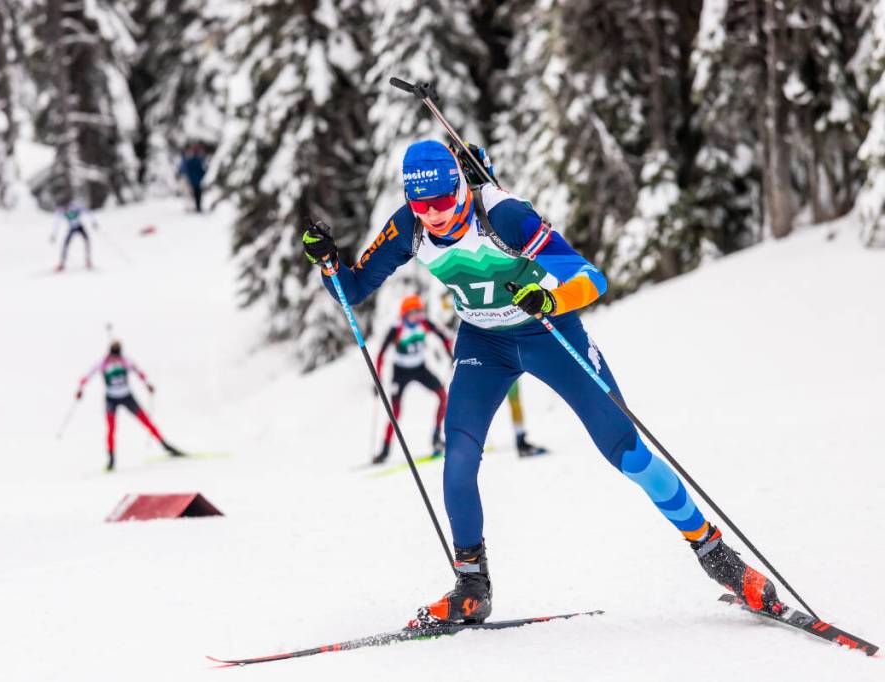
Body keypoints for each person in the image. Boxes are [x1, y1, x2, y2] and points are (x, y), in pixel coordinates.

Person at [302, 139, 782, 628]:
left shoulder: (504, 215)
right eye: (422, 206)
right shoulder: (410, 226)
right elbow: (354, 288)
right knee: (458, 458)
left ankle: (719, 559)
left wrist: (551, 301)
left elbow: (591, 279)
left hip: (547, 333)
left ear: (460, 187)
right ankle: (472, 587)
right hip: (482, 344)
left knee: (627, 451)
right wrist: (328, 263)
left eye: (444, 202)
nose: (435, 216)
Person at [441, 291, 547, 457]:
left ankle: (520, 439)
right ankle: (463, 445)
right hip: (476, 357)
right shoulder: (457, 307)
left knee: (512, 398)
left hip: (497, 350)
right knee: (474, 401)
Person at [75, 341, 185, 470]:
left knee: (146, 421)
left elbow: (139, 371)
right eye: (113, 354)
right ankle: (111, 459)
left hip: (127, 397)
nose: (115, 357)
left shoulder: (125, 360)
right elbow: (88, 375)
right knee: (111, 428)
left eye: (117, 354)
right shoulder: (103, 362)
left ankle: (166, 446)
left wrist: (147, 384)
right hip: (111, 399)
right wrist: (80, 389)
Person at [372, 294, 453, 464]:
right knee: (395, 412)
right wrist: (377, 380)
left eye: (418, 311)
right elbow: (381, 354)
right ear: (404, 314)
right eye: (412, 313)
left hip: (420, 368)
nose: (416, 316)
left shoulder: (424, 323)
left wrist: (450, 355)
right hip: (400, 372)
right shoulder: (397, 328)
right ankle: (384, 451)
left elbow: (444, 337)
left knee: (442, 396)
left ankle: (436, 438)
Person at [51, 200, 98, 272]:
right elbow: (56, 222)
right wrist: (54, 234)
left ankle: (88, 261)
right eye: (63, 208)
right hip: (72, 228)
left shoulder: (75, 206)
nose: (64, 209)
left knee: (87, 241)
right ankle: (62, 264)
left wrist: (93, 222)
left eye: (65, 207)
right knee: (65, 245)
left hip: (79, 226)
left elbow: (87, 211)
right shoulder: (60, 211)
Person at [178, 144, 208, 213]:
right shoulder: (195, 161)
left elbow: (200, 171)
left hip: (193, 181)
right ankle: (195, 207)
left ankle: (195, 207)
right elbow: (202, 171)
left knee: (194, 195)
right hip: (195, 181)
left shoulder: (192, 161)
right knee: (195, 195)